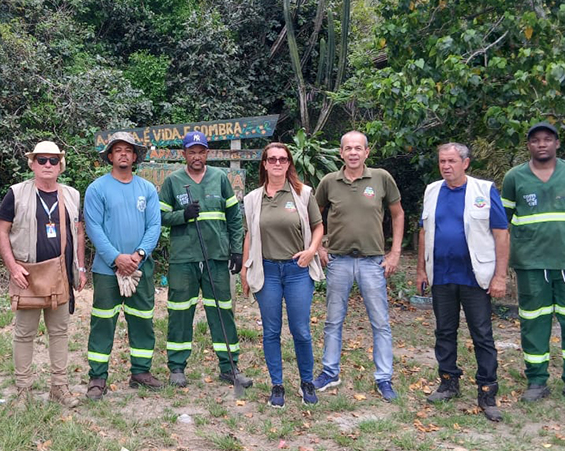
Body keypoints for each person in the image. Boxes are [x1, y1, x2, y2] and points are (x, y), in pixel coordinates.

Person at [502, 122, 565, 405]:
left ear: (556, 144)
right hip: (531, 263)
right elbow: (502, 221)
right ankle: (536, 381)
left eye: (547, 139)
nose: (541, 144)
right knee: (534, 322)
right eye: (535, 140)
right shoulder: (514, 177)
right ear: (528, 146)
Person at [416, 143, 509, 421]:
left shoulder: (484, 190)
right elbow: (423, 232)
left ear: (465, 163)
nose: (446, 166)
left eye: (452, 161)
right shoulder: (432, 190)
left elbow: (501, 233)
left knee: (482, 334)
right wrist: (421, 270)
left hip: (475, 276)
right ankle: (448, 382)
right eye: (442, 161)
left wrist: (500, 276)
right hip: (442, 274)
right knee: (444, 331)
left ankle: (487, 391)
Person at [314, 131, 405, 402]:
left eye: (358, 148)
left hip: (372, 262)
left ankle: (383, 378)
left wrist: (395, 252)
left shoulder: (381, 178)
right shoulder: (329, 182)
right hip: (338, 261)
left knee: (380, 322)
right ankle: (330, 372)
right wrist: (318, 247)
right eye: (348, 148)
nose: (353, 153)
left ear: (366, 152)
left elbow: (398, 214)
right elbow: (314, 216)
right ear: (340, 153)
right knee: (333, 321)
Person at [0, 140, 86, 407]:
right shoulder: (16, 193)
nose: (48, 165)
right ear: (32, 163)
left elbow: (79, 231)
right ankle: (23, 392)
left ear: (61, 165)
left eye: (53, 160)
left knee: (60, 333)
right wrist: (12, 267)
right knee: (24, 334)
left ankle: (59, 388)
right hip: (28, 275)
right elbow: (1, 231)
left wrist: (80, 267)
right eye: (42, 160)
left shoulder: (72, 194)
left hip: (60, 275)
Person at [159, 131, 250, 389]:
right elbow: (160, 217)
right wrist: (182, 215)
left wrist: (236, 251)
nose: (196, 156)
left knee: (222, 311)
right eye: (191, 151)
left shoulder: (220, 178)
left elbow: (234, 217)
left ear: (207, 153)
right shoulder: (173, 182)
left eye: (201, 151)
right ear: (184, 154)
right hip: (183, 258)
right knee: (179, 311)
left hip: (216, 258)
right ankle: (177, 367)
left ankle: (229, 367)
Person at [240, 143, 324, 407]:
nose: (277, 163)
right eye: (272, 159)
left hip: (297, 270)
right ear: (264, 164)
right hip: (267, 271)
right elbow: (250, 235)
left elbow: (318, 226)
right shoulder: (253, 198)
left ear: (289, 164)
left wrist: (311, 251)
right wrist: (245, 268)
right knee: (271, 331)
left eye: (283, 159)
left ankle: (307, 382)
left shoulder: (302, 193)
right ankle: (277, 385)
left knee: (301, 330)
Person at [84, 131, 162, 400]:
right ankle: (97, 378)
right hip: (107, 270)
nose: (123, 154)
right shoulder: (97, 189)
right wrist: (116, 258)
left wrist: (138, 255)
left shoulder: (147, 189)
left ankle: (140, 372)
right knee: (103, 322)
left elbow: (154, 226)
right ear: (110, 156)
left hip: (141, 267)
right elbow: (93, 227)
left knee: (142, 320)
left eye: (128, 150)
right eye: (118, 150)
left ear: (135, 156)